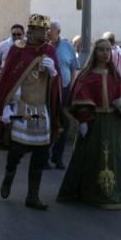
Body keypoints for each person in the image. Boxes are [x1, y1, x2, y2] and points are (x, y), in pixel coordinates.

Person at [0, 14, 62, 210]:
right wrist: (8, 106)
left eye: (46, 31)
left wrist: (53, 72)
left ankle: (33, 196)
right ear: (31, 30)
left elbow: (56, 83)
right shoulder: (17, 50)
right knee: (17, 150)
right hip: (21, 106)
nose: (45, 34)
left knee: (41, 152)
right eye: (41, 30)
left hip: (41, 109)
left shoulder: (49, 51)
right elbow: (10, 79)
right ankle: (9, 175)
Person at [57, 38, 121, 209]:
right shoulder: (86, 76)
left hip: (111, 122)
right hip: (94, 122)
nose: (105, 53)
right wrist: (83, 120)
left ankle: (111, 191)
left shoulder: (115, 75)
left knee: (111, 157)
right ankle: (88, 190)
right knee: (91, 156)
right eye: (101, 50)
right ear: (95, 53)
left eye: (108, 50)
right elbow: (79, 98)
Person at [49, 20, 80, 169]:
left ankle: (57, 157)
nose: (48, 33)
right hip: (47, 91)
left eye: (51, 31)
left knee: (64, 124)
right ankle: (43, 157)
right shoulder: (44, 47)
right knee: (47, 123)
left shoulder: (67, 46)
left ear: (58, 32)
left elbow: (74, 67)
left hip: (65, 90)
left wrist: (72, 86)